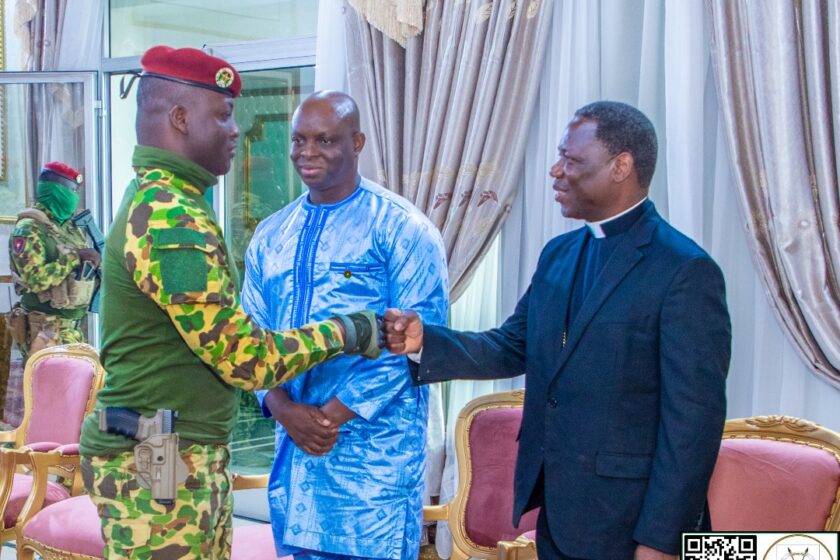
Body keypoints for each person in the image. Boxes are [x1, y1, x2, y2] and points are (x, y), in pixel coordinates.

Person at [384, 101, 731, 560]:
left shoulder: (685, 271)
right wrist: (426, 340)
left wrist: (662, 542)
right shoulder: (559, 254)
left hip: (635, 523)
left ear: (621, 166)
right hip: (560, 513)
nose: (556, 170)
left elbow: (692, 427)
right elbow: (511, 346)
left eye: (571, 159)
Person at [78, 46, 381, 559]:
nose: (236, 129)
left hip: (165, 440)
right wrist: (350, 331)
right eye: (222, 114)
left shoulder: (169, 198)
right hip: (159, 449)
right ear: (179, 119)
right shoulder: (170, 215)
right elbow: (245, 358)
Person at [242, 91, 449, 560]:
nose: (307, 153)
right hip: (295, 455)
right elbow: (248, 340)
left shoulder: (402, 229)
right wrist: (283, 409)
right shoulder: (271, 234)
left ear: (356, 142)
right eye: (298, 140)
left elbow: (419, 345)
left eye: (324, 140)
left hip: (373, 465)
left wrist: (328, 417)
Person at [7, 162, 100, 361]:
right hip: (45, 331)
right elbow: (35, 280)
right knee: (50, 391)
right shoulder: (29, 229)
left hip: (71, 329)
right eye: (71, 190)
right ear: (56, 191)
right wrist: (76, 257)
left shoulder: (67, 228)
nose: (75, 197)